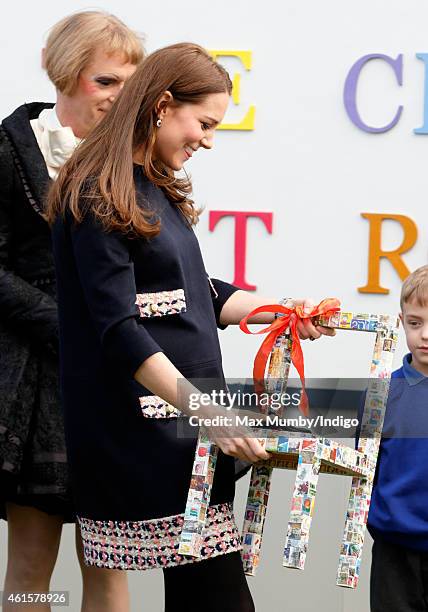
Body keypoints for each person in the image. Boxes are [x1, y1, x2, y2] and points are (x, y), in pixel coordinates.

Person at [47, 42, 334, 612]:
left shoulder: (150, 188)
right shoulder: (96, 194)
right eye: (203, 123)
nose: (206, 139)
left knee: (204, 597)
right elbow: (119, 331)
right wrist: (212, 415)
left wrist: (279, 312)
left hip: (190, 433)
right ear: (161, 105)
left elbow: (198, 291)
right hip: (146, 438)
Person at [0, 11, 143, 612]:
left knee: (110, 567)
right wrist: (66, 326)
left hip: (113, 380)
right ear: (64, 74)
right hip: (35, 384)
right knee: (32, 568)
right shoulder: (6, 151)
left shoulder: (136, 165)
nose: (117, 99)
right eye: (104, 82)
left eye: (128, 87)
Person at [367, 264, 428, 612]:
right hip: (393, 551)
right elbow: (366, 466)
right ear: (402, 321)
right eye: (416, 323)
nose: (425, 335)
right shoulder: (382, 393)